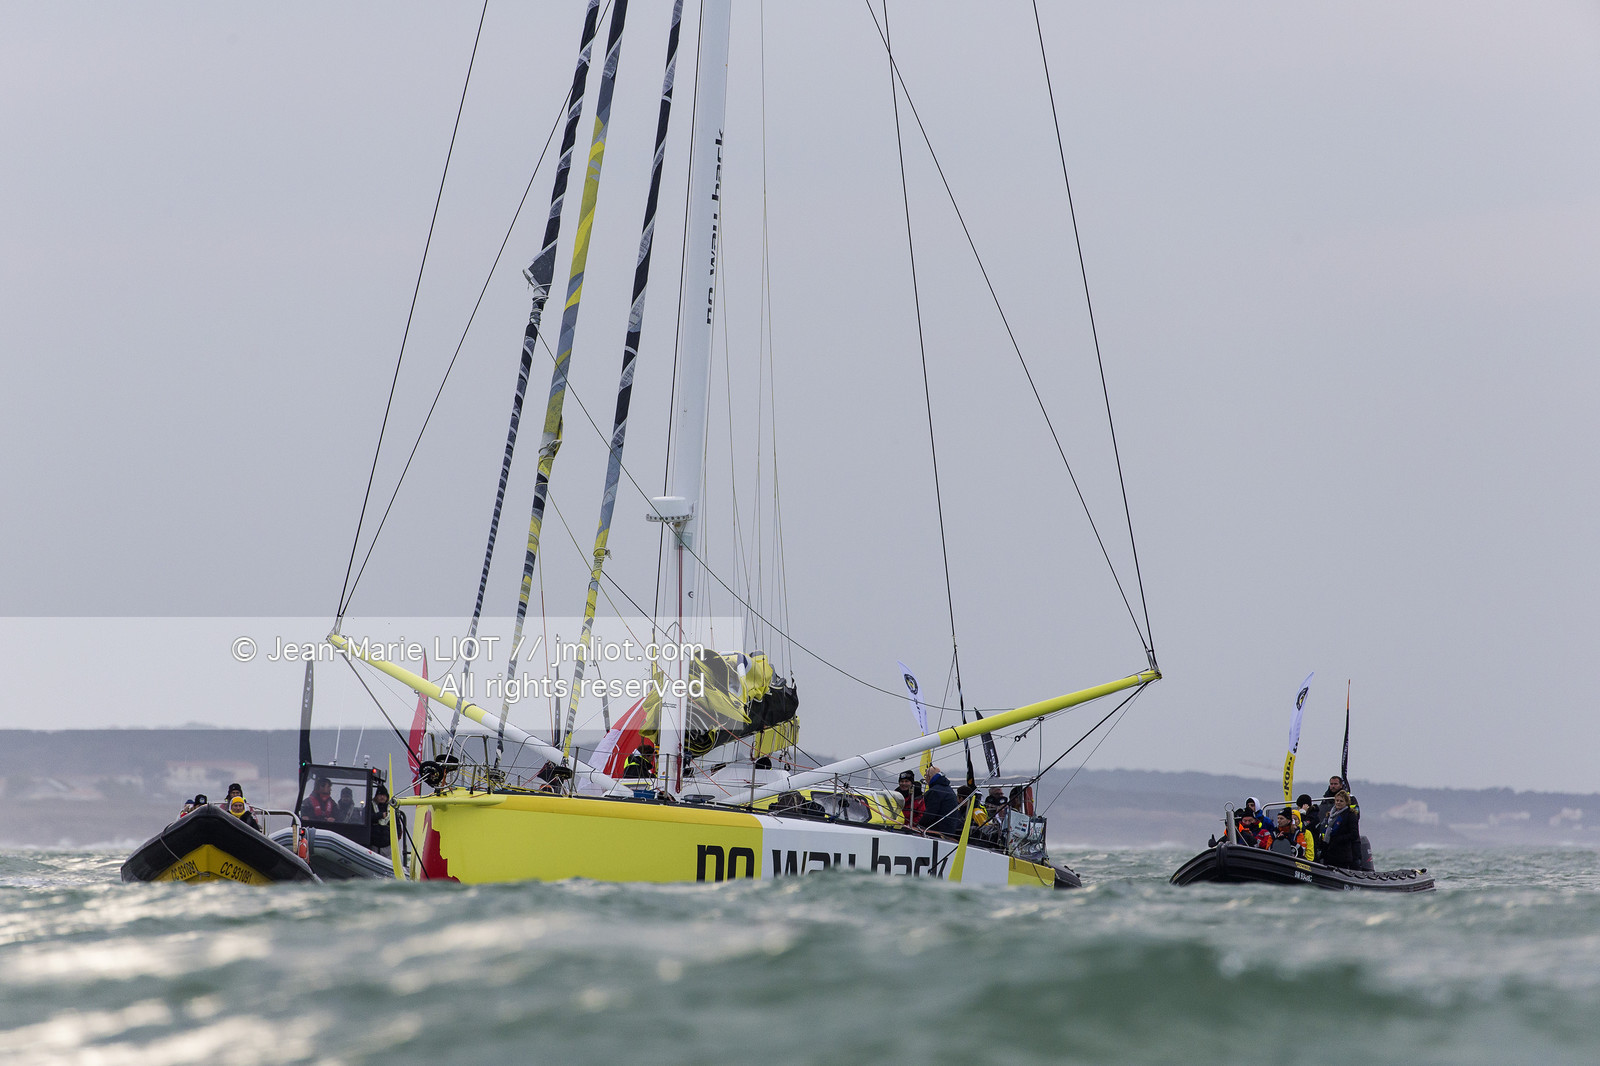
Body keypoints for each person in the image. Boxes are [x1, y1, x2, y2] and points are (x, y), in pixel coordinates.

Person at [1321, 790, 1361, 868]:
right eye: (1337, 800)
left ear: (1346, 802)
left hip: (1342, 854)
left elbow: (1354, 834)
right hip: (1329, 852)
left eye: (1341, 801)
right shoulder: (1330, 815)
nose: (1338, 803)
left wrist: (1339, 839)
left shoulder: (1350, 815)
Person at [921, 767, 961, 837]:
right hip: (950, 830)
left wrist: (917, 823)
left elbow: (929, 814)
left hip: (939, 831)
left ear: (929, 777)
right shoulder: (947, 788)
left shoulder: (934, 791)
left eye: (925, 776)